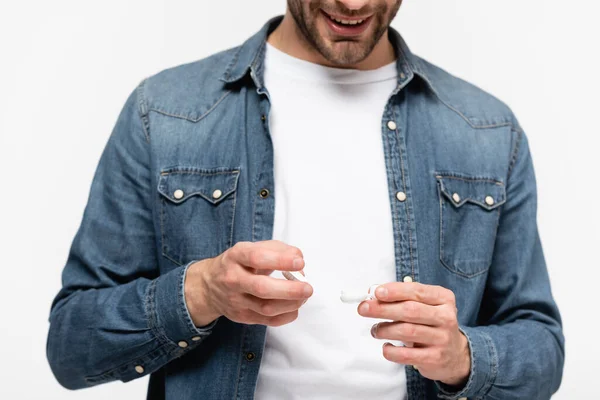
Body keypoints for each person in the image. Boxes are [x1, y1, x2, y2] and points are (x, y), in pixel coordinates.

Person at [46, 1, 564, 399]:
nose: (354, 5)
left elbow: (542, 345)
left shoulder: (487, 130)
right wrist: (199, 293)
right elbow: (71, 347)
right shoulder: (165, 112)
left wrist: (463, 357)